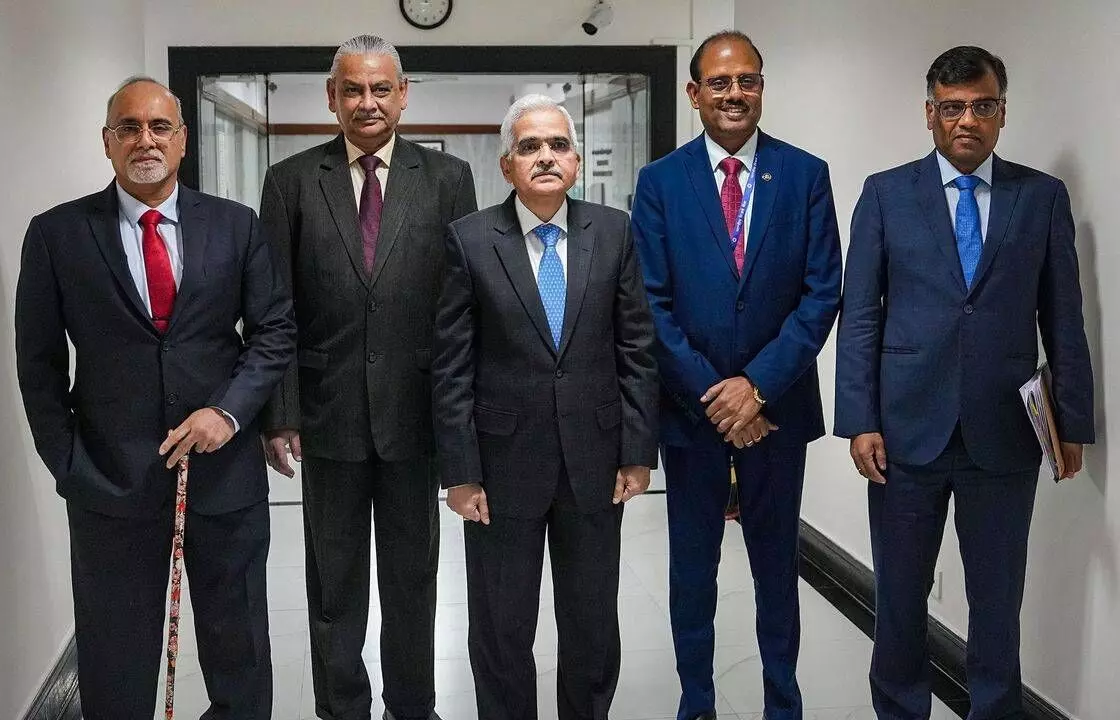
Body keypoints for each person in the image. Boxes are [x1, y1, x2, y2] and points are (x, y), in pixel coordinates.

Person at [15, 76, 295, 718]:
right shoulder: (57, 235)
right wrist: (71, 468)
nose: (146, 140)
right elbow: (39, 363)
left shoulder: (236, 226)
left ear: (183, 140)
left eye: (160, 127)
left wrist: (228, 412)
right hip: (110, 484)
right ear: (107, 143)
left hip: (224, 479)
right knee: (115, 653)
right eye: (129, 128)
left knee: (240, 645)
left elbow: (274, 331)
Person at [835, 46, 1095, 720]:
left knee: (998, 598)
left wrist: (1073, 421)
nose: (967, 121)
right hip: (903, 435)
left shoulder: (1040, 199)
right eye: (952, 109)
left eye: (982, 106)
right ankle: (899, 709)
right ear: (930, 115)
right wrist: (859, 417)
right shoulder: (885, 195)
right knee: (898, 595)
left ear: (1002, 112)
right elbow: (860, 315)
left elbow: (1065, 317)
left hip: (1004, 439)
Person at [257, 34, 477, 720]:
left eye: (381, 88)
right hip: (328, 418)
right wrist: (280, 410)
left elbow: (461, 308)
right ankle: (342, 708)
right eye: (352, 89)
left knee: (414, 581)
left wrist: (460, 417)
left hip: (418, 417)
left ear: (404, 94)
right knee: (335, 587)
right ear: (331, 98)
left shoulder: (448, 179)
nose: (367, 102)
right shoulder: (291, 182)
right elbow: (275, 305)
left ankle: (414, 707)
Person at [631, 30, 843, 720]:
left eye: (747, 80)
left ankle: (783, 703)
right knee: (692, 576)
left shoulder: (805, 174)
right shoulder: (660, 182)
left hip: (776, 412)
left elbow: (821, 293)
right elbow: (650, 302)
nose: (734, 94)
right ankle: (697, 705)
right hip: (692, 416)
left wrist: (756, 388)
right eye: (719, 83)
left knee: (777, 572)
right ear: (694, 94)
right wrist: (715, 396)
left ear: (761, 88)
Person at [432, 94, 659, 720]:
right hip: (500, 472)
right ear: (506, 165)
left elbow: (637, 346)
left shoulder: (613, 231)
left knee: (591, 626)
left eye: (558, 145)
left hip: (596, 461)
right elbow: (451, 364)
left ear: (577, 161)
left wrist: (638, 452)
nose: (546, 157)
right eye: (529, 146)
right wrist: (459, 471)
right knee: (502, 629)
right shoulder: (472, 240)